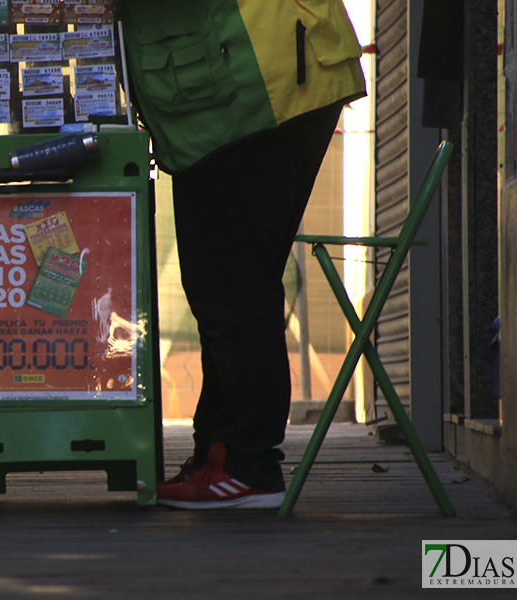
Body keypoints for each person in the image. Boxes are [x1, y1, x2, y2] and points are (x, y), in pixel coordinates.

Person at [119, 0, 366, 509]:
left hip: (248, 84)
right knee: (236, 282)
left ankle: (245, 466)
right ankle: (221, 453)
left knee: (231, 287)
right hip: (267, 73)